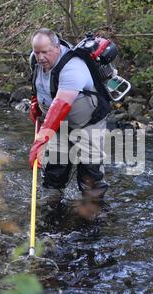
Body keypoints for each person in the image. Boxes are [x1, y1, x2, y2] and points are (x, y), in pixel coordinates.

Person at [28, 28, 109, 207]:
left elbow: (61, 104)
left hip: (88, 123)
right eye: (36, 51)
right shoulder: (35, 61)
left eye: (45, 52)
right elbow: (38, 84)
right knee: (54, 168)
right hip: (59, 124)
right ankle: (52, 204)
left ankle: (94, 214)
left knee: (90, 174)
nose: (40, 57)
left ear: (57, 48)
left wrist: (40, 141)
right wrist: (35, 104)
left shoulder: (73, 67)